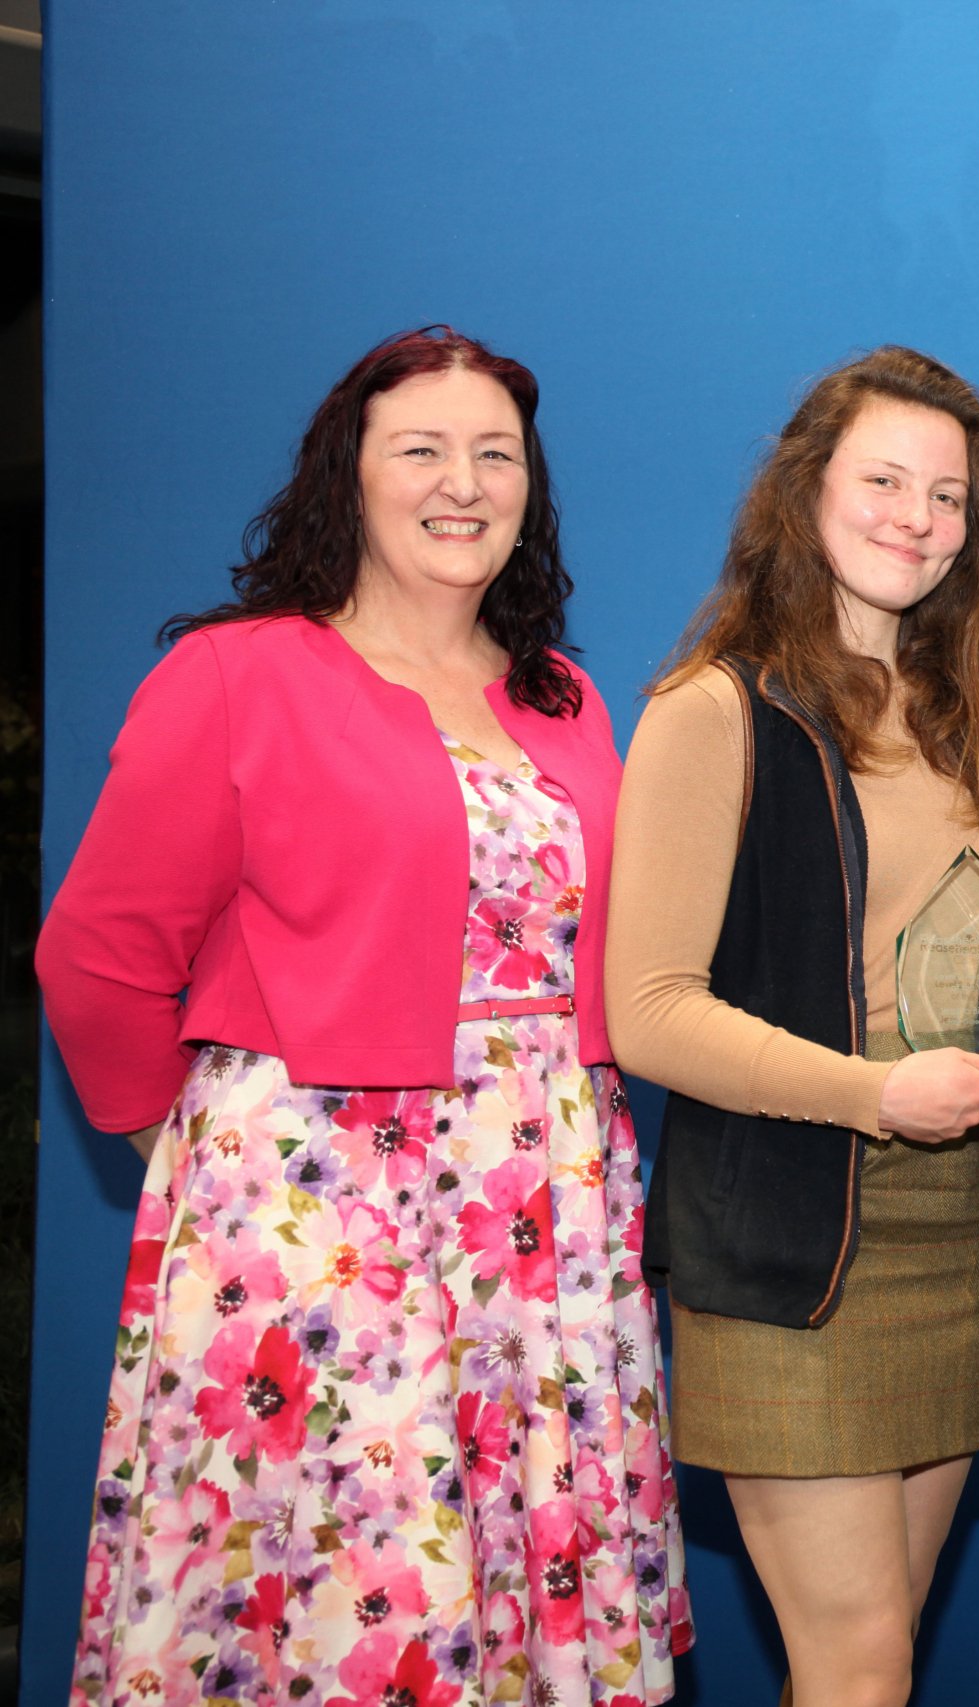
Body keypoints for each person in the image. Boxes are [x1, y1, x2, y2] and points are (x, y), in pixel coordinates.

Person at [38, 326, 691, 1704]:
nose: (464, 482)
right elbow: (100, 953)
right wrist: (213, 1157)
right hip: (321, 1218)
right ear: (352, 472)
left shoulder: (563, 697)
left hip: (546, 1214)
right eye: (423, 449)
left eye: (496, 454)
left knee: (509, 1584)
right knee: (345, 1593)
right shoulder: (237, 673)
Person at [606, 345, 979, 1707]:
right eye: (883, 480)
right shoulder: (714, 710)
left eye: (947, 495)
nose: (915, 519)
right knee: (858, 1665)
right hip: (790, 1246)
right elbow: (650, 1013)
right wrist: (878, 1095)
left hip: (954, 1230)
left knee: (876, 1662)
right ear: (806, 489)